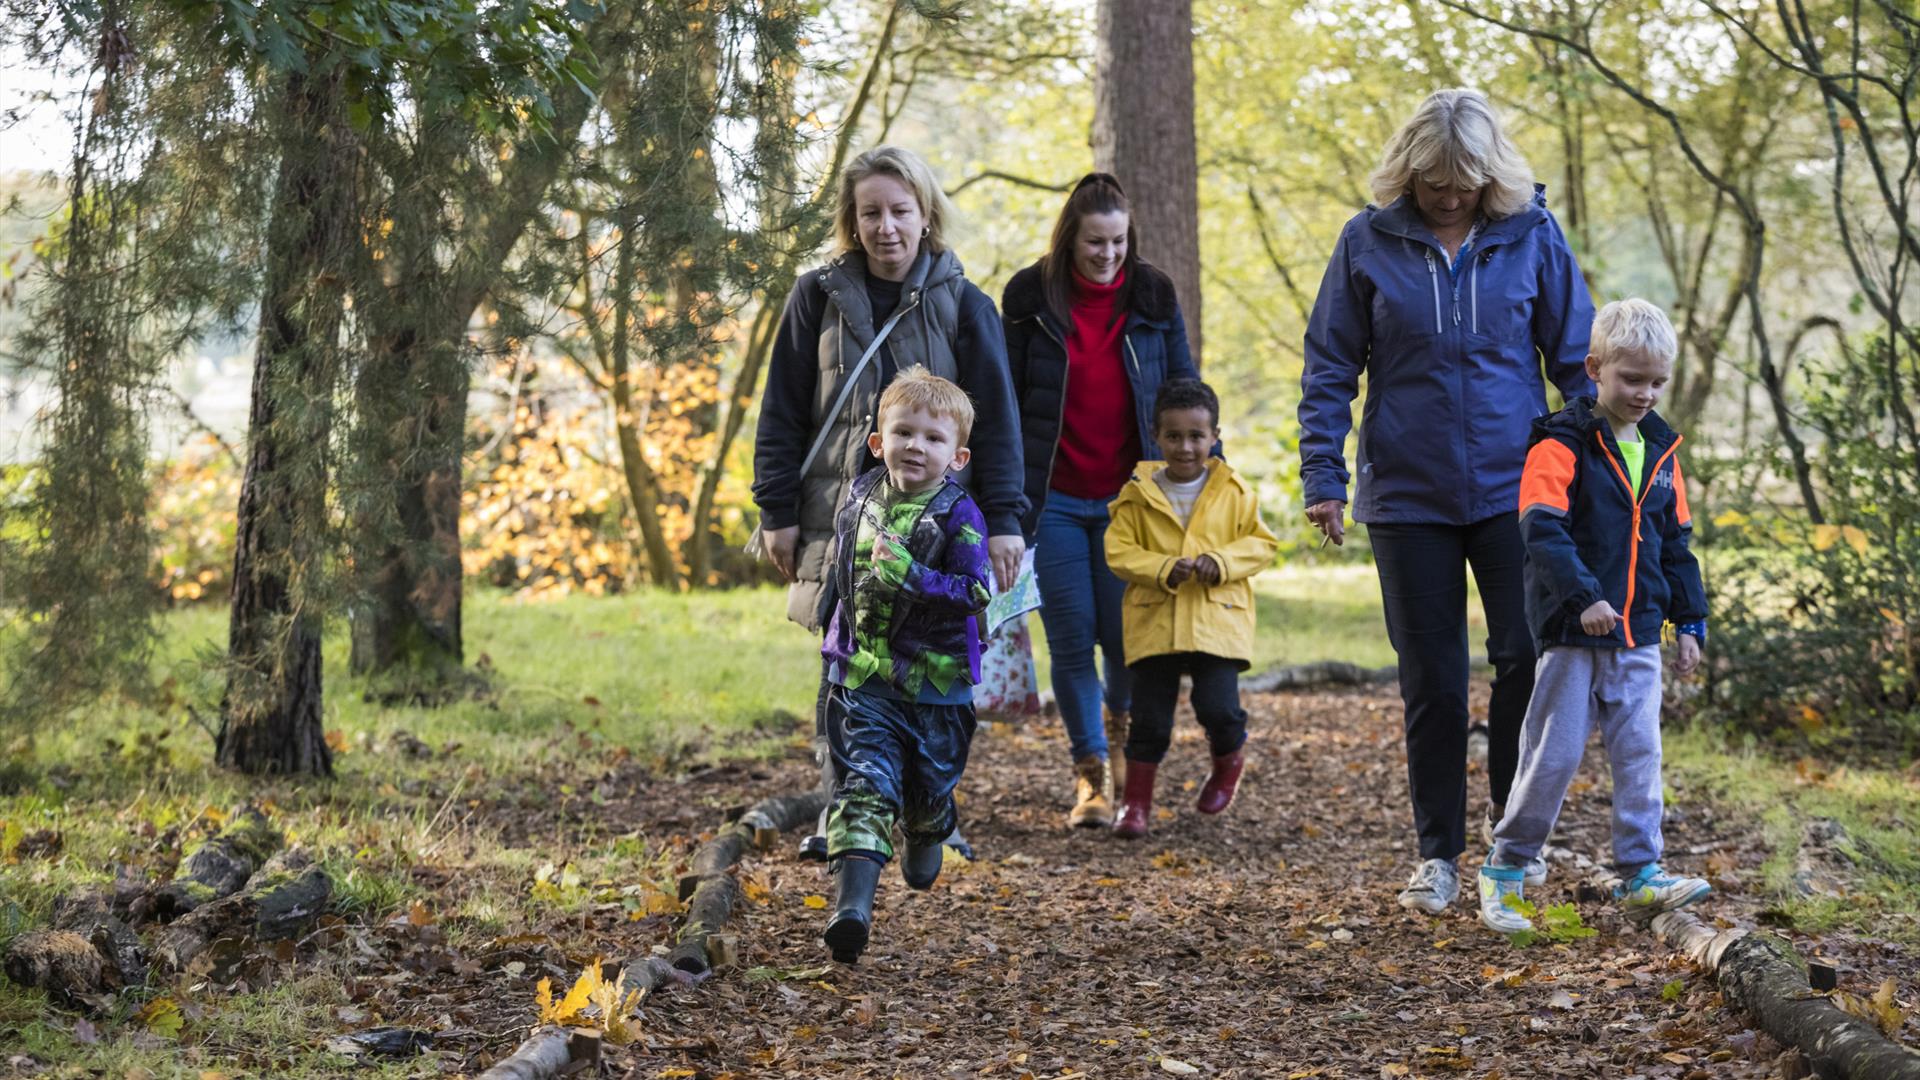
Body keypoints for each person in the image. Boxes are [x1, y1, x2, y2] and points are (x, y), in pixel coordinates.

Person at [1298, 88, 1596, 914]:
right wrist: (1323, 477)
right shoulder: (1367, 240)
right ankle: (1437, 855)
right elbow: (1329, 367)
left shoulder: (1532, 234)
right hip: (1405, 494)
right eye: (1434, 179)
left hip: (1518, 490)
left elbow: (1577, 361)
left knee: (1522, 659)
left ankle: (1512, 834)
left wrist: (1594, 466)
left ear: (1491, 174)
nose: (1450, 194)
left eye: (1465, 179)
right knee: (1431, 679)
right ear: (1409, 171)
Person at [751, 145, 1026, 861]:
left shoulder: (967, 304)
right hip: (842, 524)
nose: (886, 227)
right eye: (869, 212)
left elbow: (996, 421)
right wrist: (774, 511)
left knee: (935, 666)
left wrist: (1005, 522)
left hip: (936, 531)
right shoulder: (814, 298)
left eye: (900, 210)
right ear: (851, 220)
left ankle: (933, 813)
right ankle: (848, 815)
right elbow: (782, 412)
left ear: (926, 215)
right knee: (842, 665)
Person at [1477, 299, 1711, 933]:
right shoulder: (1561, 441)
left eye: (1657, 381)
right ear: (1595, 369)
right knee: (1552, 756)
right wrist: (1585, 600)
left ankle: (1642, 872)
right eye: (1631, 379)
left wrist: (1690, 624)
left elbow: (1675, 544)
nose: (1644, 393)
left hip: (1638, 634)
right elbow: (1541, 529)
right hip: (1574, 633)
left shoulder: (1663, 449)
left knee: (1640, 752)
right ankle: (1506, 867)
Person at [1003, 173, 1199, 829]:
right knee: (1069, 640)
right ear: (1070, 239)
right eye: (1096, 242)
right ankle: (1089, 779)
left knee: (1123, 641)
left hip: (1129, 501)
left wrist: (1201, 485)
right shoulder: (1030, 300)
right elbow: (1006, 403)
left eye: (1118, 241)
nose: (1108, 254)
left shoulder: (1152, 296)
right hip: (1054, 496)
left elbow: (1183, 388)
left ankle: (1121, 749)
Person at [817, 370, 994, 964]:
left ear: (958, 455)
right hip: (865, 674)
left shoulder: (959, 514)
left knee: (927, 785)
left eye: (933, 438)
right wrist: (829, 626)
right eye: (904, 432)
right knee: (864, 785)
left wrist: (912, 578)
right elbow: (842, 571)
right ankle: (853, 910)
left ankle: (931, 824)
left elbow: (975, 591)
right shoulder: (859, 496)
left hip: (936, 684)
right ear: (878, 441)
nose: (916, 446)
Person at [1103, 380, 1277, 839]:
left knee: (1218, 707)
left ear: (1214, 435)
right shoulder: (1136, 495)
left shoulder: (1233, 491)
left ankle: (1227, 765)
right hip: (1154, 620)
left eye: (1197, 436)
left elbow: (1261, 545)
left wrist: (1219, 562)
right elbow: (1118, 551)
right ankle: (1134, 804)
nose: (1186, 447)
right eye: (1175, 436)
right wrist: (1163, 567)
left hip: (1216, 620)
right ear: (1156, 435)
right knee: (1150, 719)